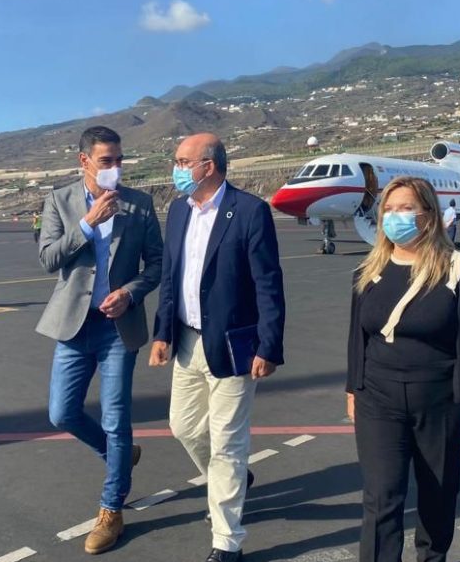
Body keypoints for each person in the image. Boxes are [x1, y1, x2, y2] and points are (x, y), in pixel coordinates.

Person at [150, 133, 285, 562]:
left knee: (226, 441)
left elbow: (268, 284)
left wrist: (270, 344)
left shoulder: (249, 212)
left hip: (233, 345)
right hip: (188, 341)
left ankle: (227, 541)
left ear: (208, 166)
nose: (176, 168)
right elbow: (171, 278)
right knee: (184, 427)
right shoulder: (176, 212)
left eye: (182, 160)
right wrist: (162, 333)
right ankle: (235, 479)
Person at [346, 176, 460, 562]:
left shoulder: (458, 270)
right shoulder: (370, 271)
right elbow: (357, 337)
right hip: (378, 399)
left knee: (438, 495)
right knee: (381, 497)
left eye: (406, 208)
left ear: (428, 215)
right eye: (390, 210)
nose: (396, 217)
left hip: (441, 401)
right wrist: (353, 388)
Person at [36, 126, 163, 555]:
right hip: (73, 325)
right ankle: (119, 457)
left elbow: (157, 265)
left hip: (117, 327)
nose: (115, 168)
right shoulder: (60, 201)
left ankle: (112, 508)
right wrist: (87, 226)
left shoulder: (140, 205)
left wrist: (130, 293)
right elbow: (48, 258)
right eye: (106, 161)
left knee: (116, 417)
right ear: (84, 161)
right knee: (62, 413)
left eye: (119, 160)